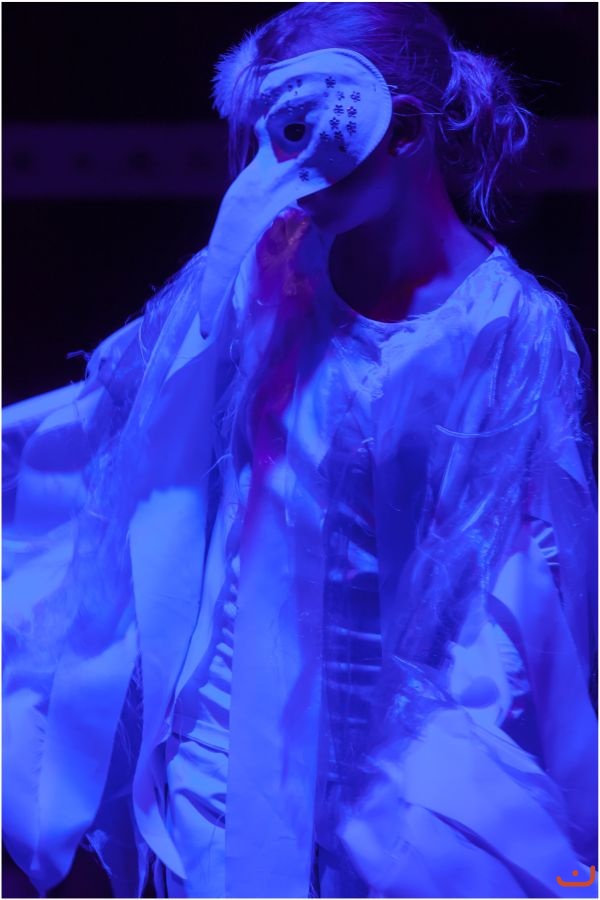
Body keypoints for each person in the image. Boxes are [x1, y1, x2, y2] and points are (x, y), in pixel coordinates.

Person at [2, 3, 597, 898]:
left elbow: (512, 576)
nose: (280, 172)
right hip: (226, 747)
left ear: (404, 131)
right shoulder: (268, 276)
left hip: (405, 764)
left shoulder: (506, 328)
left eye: (301, 130)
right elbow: (121, 427)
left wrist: (426, 760)